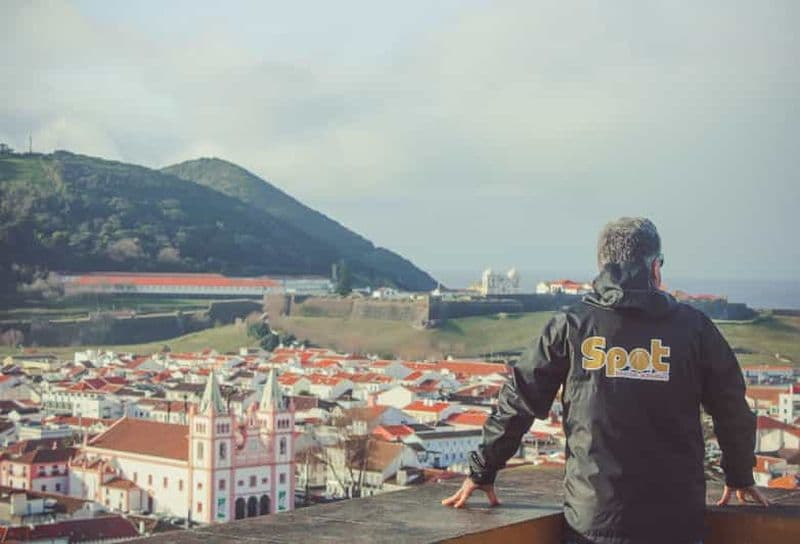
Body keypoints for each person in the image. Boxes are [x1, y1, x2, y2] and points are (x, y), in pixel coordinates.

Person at [441, 217, 768, 544]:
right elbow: (731, 408)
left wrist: (482, 470)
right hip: (676, 522)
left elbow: (519, 399)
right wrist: (739, 474)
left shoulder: (571, 325)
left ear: (602, 266)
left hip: (592, 522)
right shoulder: (694, 328)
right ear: (655, 267)